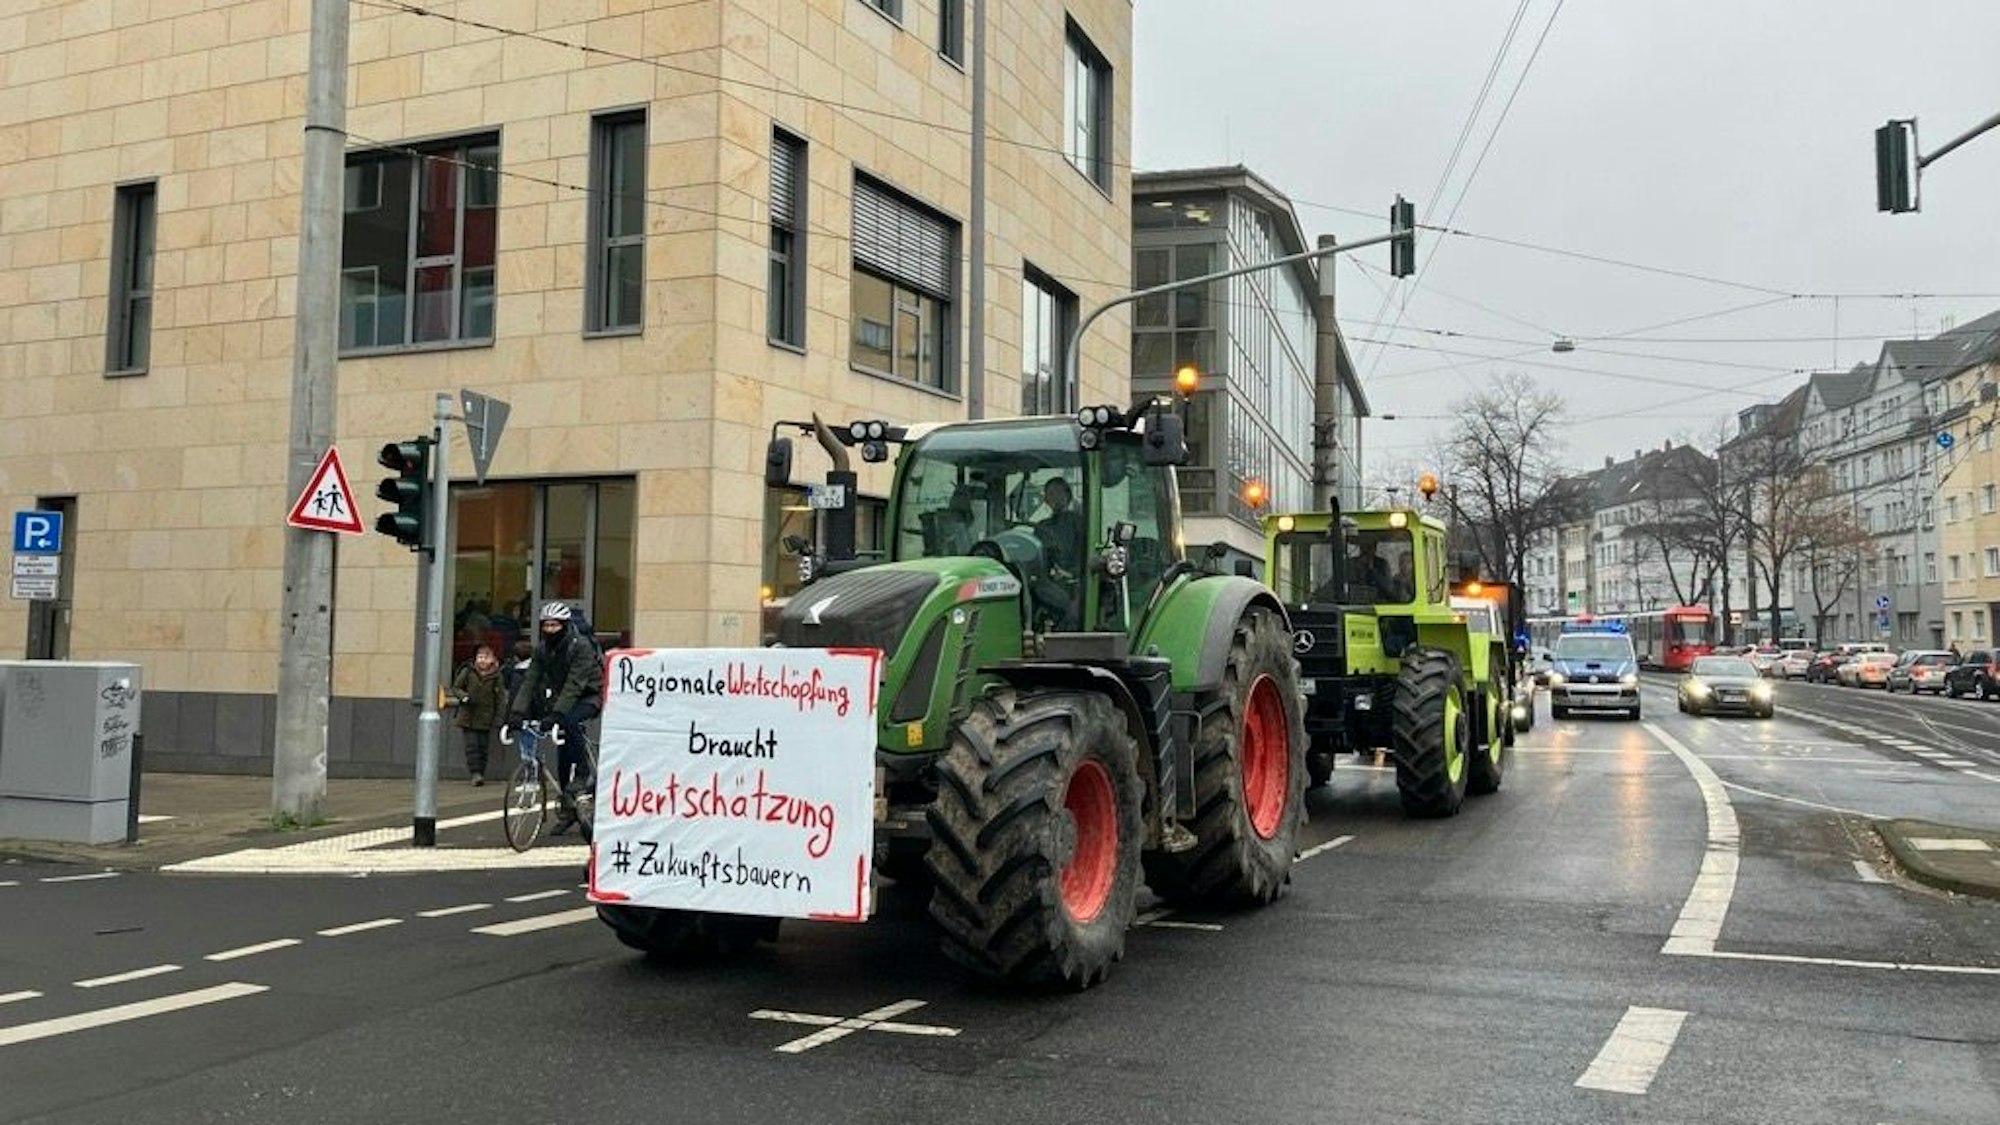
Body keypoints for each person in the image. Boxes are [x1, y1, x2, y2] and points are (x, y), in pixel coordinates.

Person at [510, 602, 605, 835]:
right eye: (547, 625)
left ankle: (583, 773)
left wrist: (557, 714)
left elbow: (575, 684)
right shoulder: (542, 649)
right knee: (563, 750)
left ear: (564, 625)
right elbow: (530, 681)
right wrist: (516, 712)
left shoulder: (580, 646)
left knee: (570, 722)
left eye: (555, 625)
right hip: (563, 698)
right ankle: (567, 804)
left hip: (589, 695)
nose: (551, 629)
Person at [1033, 476, 1086, 628]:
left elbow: (1084, 554)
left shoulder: (1079, 523)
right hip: (1045, 580)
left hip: (1074, 583)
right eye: (1049, 493)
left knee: (1069, 609)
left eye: (1056, 492)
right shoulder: (1041, 527)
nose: (1052, 497)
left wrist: (1070, 573)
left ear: (1067, 495)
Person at [449, 644, 506, 786]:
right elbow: (456, 687)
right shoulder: (468, 672)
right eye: (479, 657)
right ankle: (475, 773)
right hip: (468, 716)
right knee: (472, 746)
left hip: (486, 716)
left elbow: (500, 699)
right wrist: (464, 697)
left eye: (486, 657)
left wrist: (499, 718)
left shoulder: (497, 676)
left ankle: (481, 771)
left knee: (483, 747)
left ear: (492, 659)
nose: (482, 660)